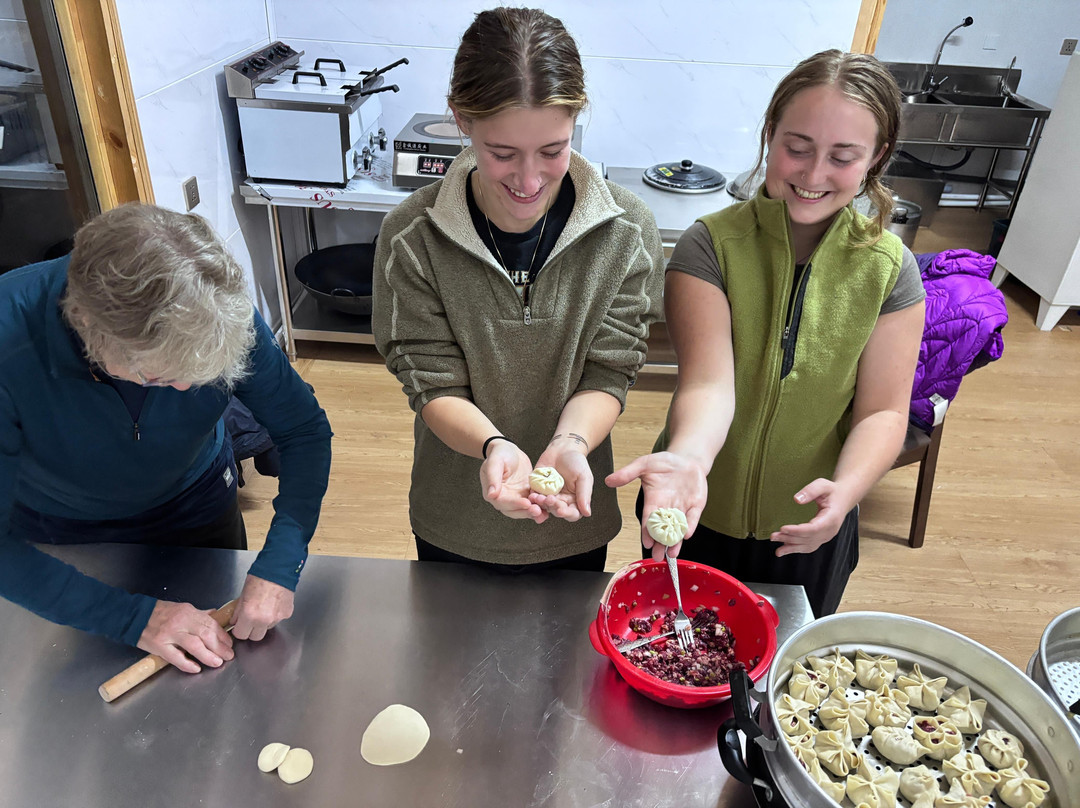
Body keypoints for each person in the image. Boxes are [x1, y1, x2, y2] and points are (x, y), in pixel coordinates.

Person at [608, 50, 926, 617]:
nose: (813, 174)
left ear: (876, 157)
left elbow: (882, 411)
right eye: (797, 148)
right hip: (697, 509)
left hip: (808, 528)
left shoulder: (889, 269)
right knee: (678, 648)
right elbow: (708, 384)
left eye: (843, 157)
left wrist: (846, 492)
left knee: (786, 660)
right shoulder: (710, 246)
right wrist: (688, 461)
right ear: (769, 133)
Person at [372, 7, 664, 572]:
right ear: (461, 119)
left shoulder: (626, 231)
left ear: (577, 119)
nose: (529, 182)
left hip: (574, 513)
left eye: (553, 150)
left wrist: (571, 443)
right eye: (502, 154)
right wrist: (493, 447)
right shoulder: (413, 236)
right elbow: (431, 379)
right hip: (455, 516)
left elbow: (610, 370)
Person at [0, 203, 333, 671]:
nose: (184, 390)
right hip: (62, 531)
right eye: (157, 377)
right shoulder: (8, 338)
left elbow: (303, 429)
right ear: (88, 325)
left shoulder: (214, 306)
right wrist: (132, 619)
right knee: (73, 678)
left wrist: (282, 561)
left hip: (196, 501)